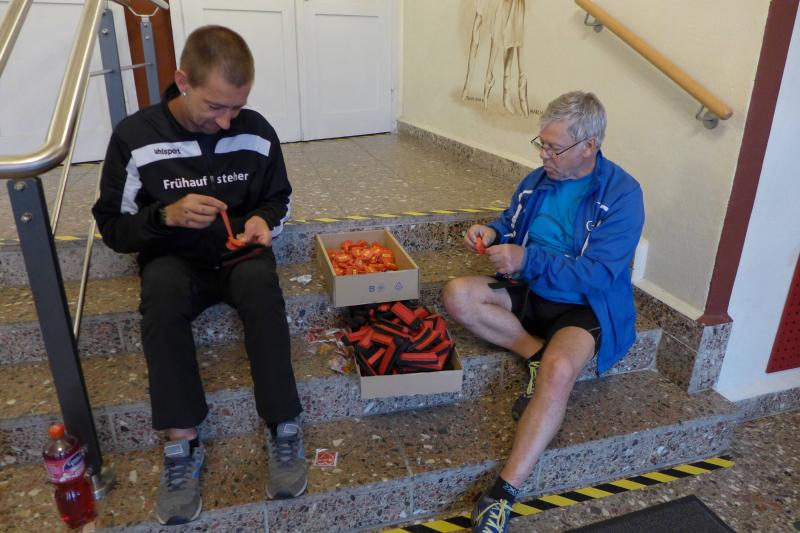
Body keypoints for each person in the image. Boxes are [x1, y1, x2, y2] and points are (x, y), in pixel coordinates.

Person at [92, 26, 306, 525]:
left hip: (239, 253)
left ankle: (284, 427)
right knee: (160, 296)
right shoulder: (135, 137)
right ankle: (181, 445)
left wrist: (263, 221)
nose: (226, 120)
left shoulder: (255, 130)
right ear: (182, 81)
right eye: (215, 106)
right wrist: (164, 216)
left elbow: (280, 197)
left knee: (263, 291)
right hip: (172, 256)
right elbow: (113, 228)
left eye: (237, 106)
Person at [442, 91, 644, 533]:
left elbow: (598, 274)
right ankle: (534, 352)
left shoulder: (623, 194)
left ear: (589, 145)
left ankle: (502, 493)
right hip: (530, 290)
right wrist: (490, 231)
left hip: (582, 307)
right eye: (543, 144)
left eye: (554, 148)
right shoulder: (538, 179)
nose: (543, 154)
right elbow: (511, 222)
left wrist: (527, 260)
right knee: (457, 294)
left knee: (560, 370)